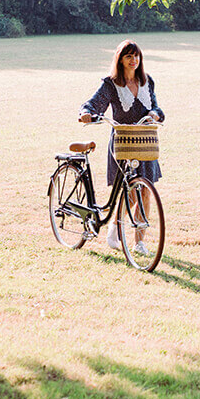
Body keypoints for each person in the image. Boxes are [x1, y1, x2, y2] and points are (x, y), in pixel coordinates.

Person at [79, 40, 164, 254]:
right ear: (120, 59)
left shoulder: (147, 81)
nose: (134, 60)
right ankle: (115, 229)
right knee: (131, 192)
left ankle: (139, 242)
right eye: (129, 56)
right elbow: (92, 104)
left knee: (145, 190)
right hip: (123, 142)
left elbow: (156, 106)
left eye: (136, 56)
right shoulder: (111, 84)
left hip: (145, 142)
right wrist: (86, 113)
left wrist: (154, 113)